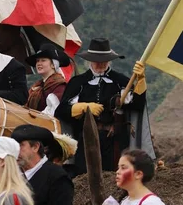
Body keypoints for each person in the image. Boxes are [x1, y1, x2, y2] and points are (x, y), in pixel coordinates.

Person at [55, 37, 153, 176]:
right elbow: (61, 111)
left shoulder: (122, 81)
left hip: (115, 142)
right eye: (96, 60)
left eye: (104, 60)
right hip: (86, 139)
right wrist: (83, 107)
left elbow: (137, 106)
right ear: (90, 60)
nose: (100, 64)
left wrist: (141, 81)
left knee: (114, 176)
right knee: (85, 177)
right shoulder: (78, 83)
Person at [25, 43, 70, 116]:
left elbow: (53, 112)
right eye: (37, 61)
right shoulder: (37, 86)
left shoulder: (59, 86)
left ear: (53, 65)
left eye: (43, 60)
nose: (39, 63)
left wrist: (34, 118)